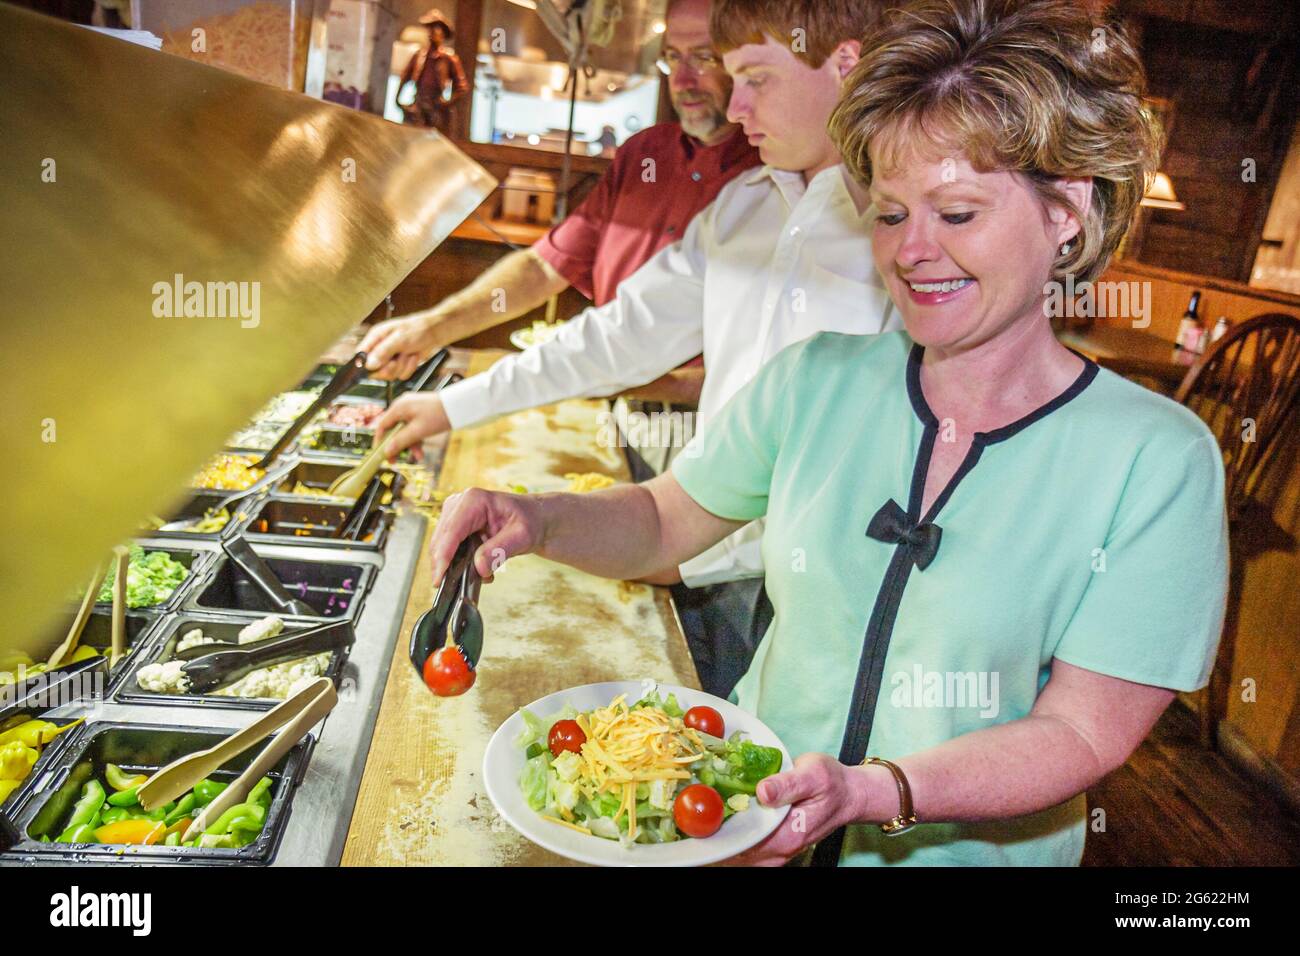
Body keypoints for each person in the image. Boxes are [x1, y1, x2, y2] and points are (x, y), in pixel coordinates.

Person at [423, 0, 1229, 867]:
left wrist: (874, 791)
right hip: (748, 827)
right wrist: (537, 520)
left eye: (955, 214)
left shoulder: (1156, 460)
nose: (912, 250)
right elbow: (664, 523)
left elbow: (1080, 733)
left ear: (1067, 209)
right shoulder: (818, 380)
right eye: (888, 214)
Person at [373, 0, 899, 697]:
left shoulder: (907, 230)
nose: (737, 106)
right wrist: (453, 404)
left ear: (846, 64)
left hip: (845, 604)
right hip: (709, 553)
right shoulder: (743, 205)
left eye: (756, 78)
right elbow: (614, 337)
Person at [364, 0, 759, 415]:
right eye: (672, 58)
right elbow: (542, 268)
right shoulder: (646, 153)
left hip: (706, 422)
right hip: (611, 405)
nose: (683, 80)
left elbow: (770, 365)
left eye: (704, 57)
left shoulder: (772, 177)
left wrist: (627, 380)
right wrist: (432, 327)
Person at [398, 9, 468, 134]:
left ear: (443, 33)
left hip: (436, 106)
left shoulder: (449, 58)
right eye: (430, 28)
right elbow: (405, 76)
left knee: (435, 140)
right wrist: (398, 100)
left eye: (436, 28)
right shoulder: (419, 55)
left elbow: (462, 87)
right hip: (418, 102)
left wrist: (446, 102)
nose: (432, 32)